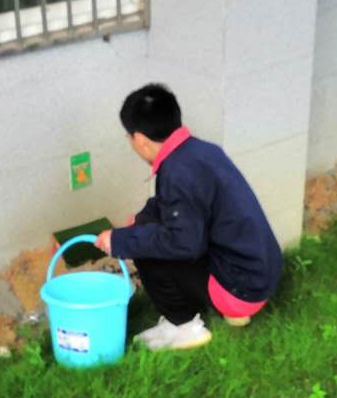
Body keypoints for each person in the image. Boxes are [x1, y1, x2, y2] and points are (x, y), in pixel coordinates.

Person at [97, 84, 282, 351]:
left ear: (138, 139)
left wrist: (121, 240)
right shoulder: (200, 152)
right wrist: (140, 221)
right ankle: (221, 310)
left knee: (148, 246)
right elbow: (173, 206)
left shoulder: (177, 173)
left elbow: (182, 243)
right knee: (146, 230)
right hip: (260, 271)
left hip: (242, 288)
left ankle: (183, 327)